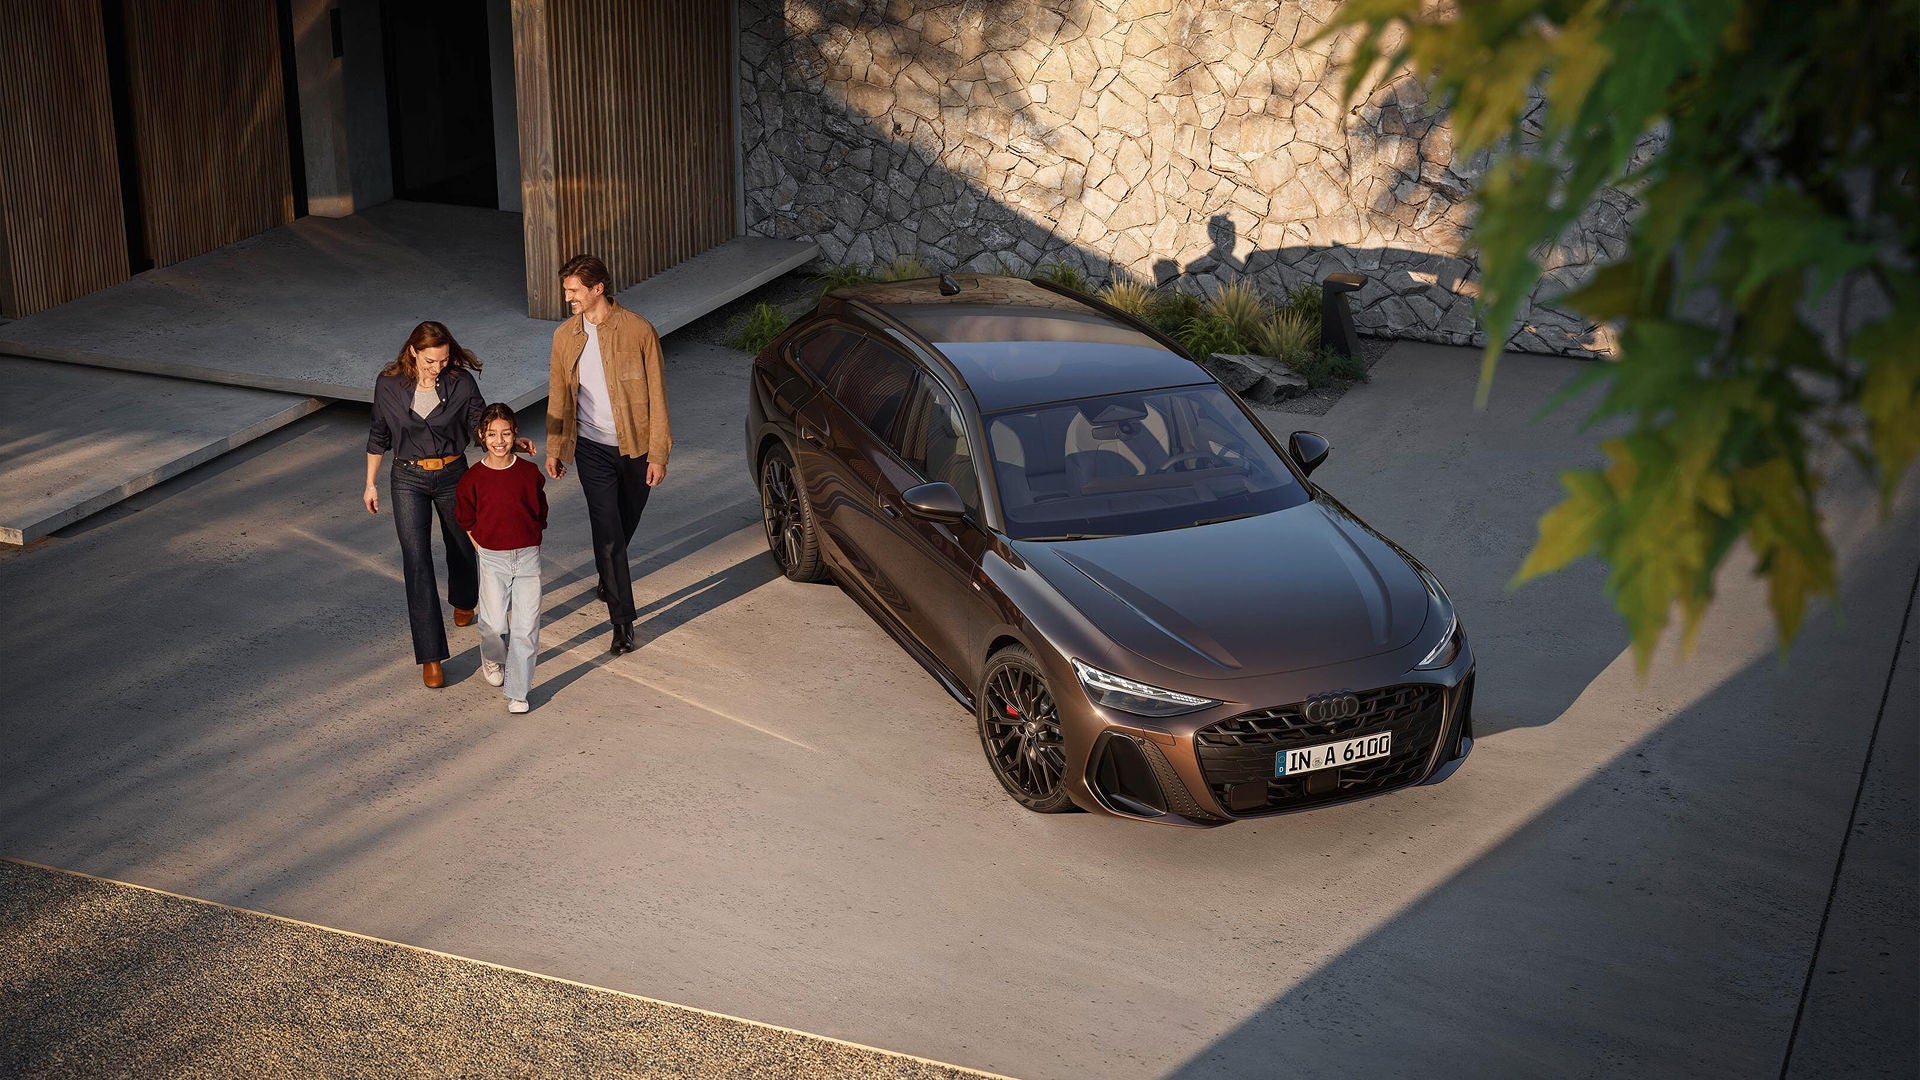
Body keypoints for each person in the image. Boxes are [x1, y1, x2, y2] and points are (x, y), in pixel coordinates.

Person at [364, 321, 531, 688]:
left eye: (442, 360)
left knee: (461, 544)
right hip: (407, 477)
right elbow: (378, 433)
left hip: (454, 473)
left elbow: (480, 422)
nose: (436, 367)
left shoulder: (460, 382)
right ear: (413, 351)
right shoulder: (388, 384)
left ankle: (464, 599)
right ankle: (431, 656)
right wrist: (370, 483)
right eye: (430, 360)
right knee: (416, 560)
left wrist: (508, 441)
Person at [543, 253, 671, 656]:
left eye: (574, 290)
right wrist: (555, 448)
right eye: (566, 290)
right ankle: (622, 622)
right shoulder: (565, 336)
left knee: (623, 524)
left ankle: (608, 575)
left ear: (598, 289)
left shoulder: (638, 331)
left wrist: (658, 454)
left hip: (636, 448)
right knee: (610, 535)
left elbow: (658, 397)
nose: (568, 298)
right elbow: (558, 395)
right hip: (592, 449)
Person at [456, 403, 548, 714]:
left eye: (506, 433)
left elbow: (540, 512)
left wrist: (531, 541)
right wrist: (480, 546)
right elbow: (466, 518)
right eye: (492, 434)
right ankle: (493, 658)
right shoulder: (473, 479)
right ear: (481, 435)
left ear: (515, 434)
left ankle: (518, 692)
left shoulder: (528, 473)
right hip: (492, 558)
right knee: (493, 625)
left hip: (527, 557)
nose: (499, 440)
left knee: (525, 628)